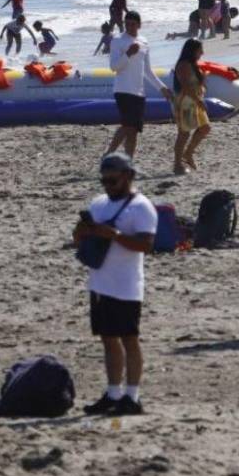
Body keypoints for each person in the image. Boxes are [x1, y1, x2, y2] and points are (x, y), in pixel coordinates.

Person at [74, 152, 157, 417]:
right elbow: (78, 239)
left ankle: (132, 396)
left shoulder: (141, 207)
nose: (108, 186)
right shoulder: (99, 204)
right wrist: (83, 231)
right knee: (108, 339)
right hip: (100, 283)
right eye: (105, 181)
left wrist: (115, 236)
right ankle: (113, 393)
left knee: (129, 340)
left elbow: (146, 245)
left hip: (127, 284)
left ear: (128, 176)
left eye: (113, 181)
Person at [107, 12, 171, 158]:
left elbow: (147, 71)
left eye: (133, 24)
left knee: (134, 130)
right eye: (127, 24)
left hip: (138, 91)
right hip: (123, 89)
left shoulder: (144, 41)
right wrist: (128, 54)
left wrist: (162, 88)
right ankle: (109, 153)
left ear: (139, 25)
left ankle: (128, 161)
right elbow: (114, 67)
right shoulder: (117, 40)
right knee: (127, 125)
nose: (129, 27)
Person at [172, 39, 210, 175]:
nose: (202, 53)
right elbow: (186, 87)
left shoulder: (193, 64)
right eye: (200, 50)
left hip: (195, 101)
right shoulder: (183, 65)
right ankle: (177, 165)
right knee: (184, 133)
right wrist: (199, 100)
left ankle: (188, 153)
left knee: (205, 128)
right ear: (192, 51)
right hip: (186, 103)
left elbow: (195, 84)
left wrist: (203, 79)